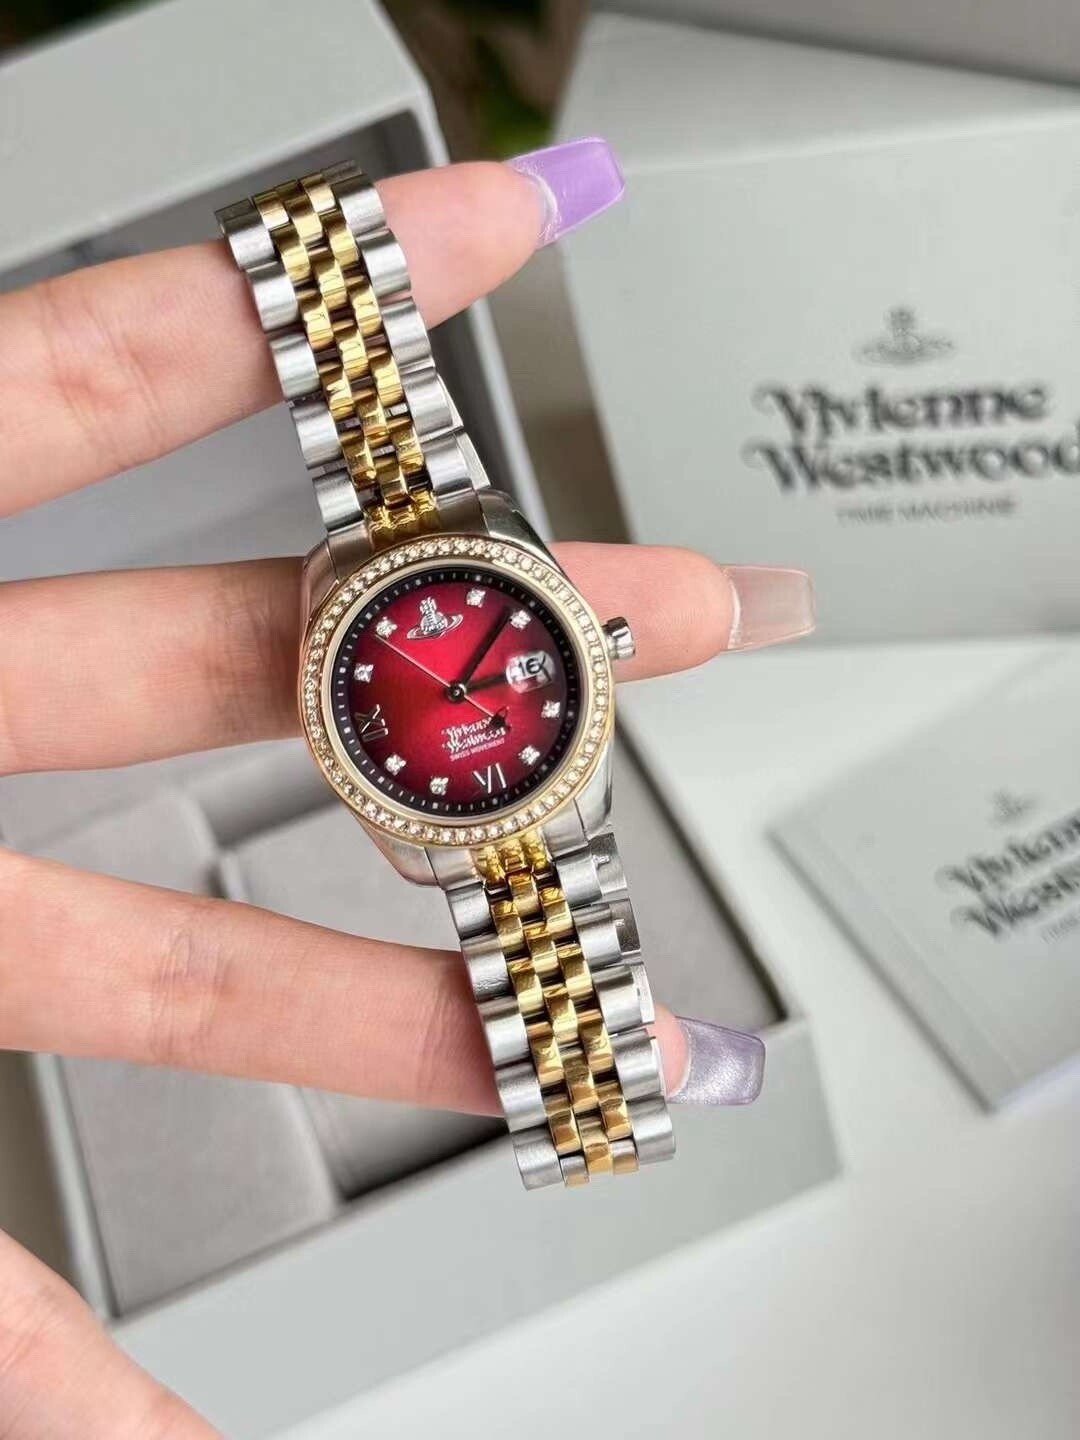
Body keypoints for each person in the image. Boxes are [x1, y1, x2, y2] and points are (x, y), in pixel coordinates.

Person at [0, 146, 813, 1434]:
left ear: (586, 648)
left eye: (494, 670)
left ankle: (594, 1103)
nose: (471, 691)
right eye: (454, 679)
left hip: (502, 777)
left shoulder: (504, 663)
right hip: (461, 788)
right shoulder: (406, 693)